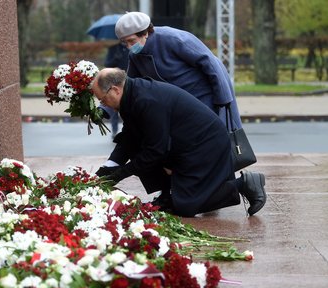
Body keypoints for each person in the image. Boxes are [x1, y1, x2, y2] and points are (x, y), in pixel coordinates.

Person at [92, 68, 266, 217]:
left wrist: (118, 174)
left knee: (187, 206)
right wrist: (107, 170)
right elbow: (129, 138)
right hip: (184, 144)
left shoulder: (146, 100)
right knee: (138, 147)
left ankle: (244, 183)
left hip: (205, 145)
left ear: (115, 90)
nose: (103, 104)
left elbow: (155, 151)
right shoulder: (132, 95)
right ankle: (167, 195)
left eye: (102, 99)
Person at [114, 11, 242, 129]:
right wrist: (105, 107)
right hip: (178, 106)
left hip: (204, 98)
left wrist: (223, 100)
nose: (129, 47)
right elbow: (131, 86)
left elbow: (210, 62)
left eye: (132, 41)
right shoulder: (135, 55)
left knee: (214, 141)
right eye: (125, 43)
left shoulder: (172, 38)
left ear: (145, 33)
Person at [103, 43, 129, 138]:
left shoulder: (132, 46)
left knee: (128, 107)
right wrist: (115, 59)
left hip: (130, 81)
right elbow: (107, 64)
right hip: (115, 82)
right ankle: (114, 130)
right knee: (114, 106)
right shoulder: (114, 48)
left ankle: (128, 130)